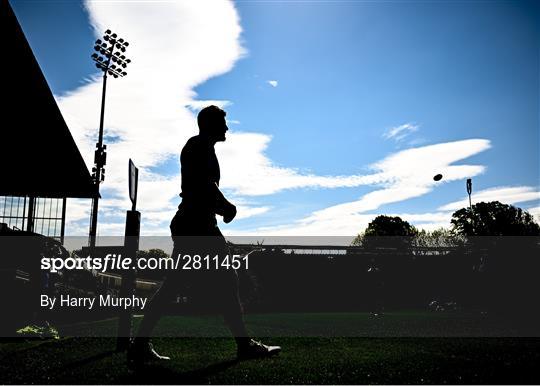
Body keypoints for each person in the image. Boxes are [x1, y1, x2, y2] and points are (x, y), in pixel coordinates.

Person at [128, 106, 281, 364]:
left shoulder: (202, 147)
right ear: (210, 124)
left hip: (195, 225)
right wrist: (226, 207)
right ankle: (243, 346)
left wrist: (220, 208)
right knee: (224, 284)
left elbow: (204, 187)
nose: (227, 128)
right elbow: (204, 187)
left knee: (181, 286)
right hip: (197, 227)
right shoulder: (198, 147)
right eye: (223, 122)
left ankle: (139, 345)